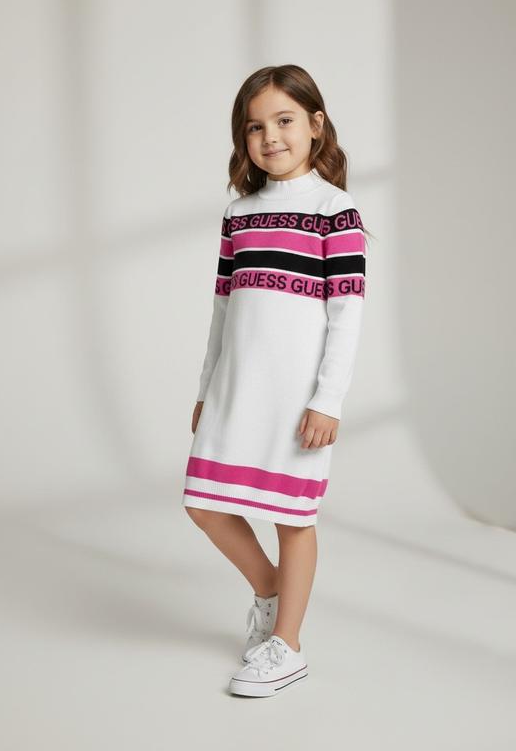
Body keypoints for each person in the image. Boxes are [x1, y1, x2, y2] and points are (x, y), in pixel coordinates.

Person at [181, 64, 370, 697]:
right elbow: (222, 310)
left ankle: (286, 644)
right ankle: (270, 590)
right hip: (237, 389)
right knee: (204, 504)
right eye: (255, 126)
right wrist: (206, 389)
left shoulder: (334, 212)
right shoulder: (239, 214)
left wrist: (327, 400)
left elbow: (347, 316)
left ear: (315, 125)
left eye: (284, 121)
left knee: (292, 516)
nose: (270, 137)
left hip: (297, 400)